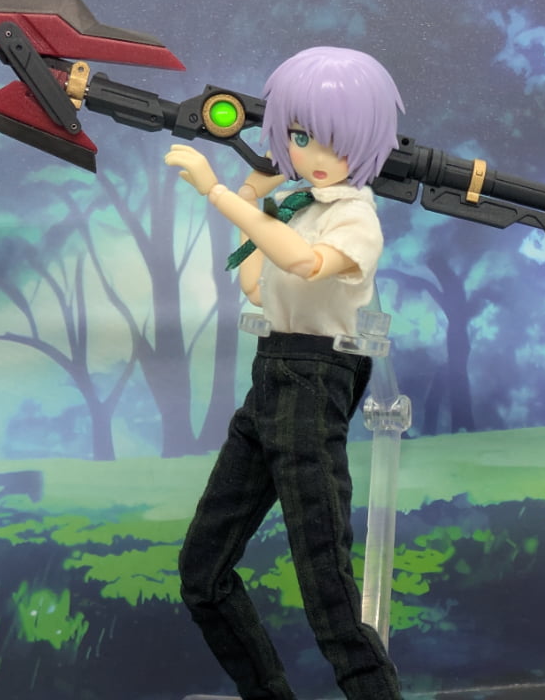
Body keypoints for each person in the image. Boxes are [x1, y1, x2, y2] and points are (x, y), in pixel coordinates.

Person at [164, 46, 405, 700]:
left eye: (332, 139)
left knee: (327, 589)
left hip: (316, 379)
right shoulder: (297, 205)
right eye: (299, 136)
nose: (312, 154)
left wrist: (218, 193)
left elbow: (304, 264)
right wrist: (252, 194)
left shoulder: (354, 215)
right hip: (270, 376)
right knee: (203, 572)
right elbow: (257, 283)